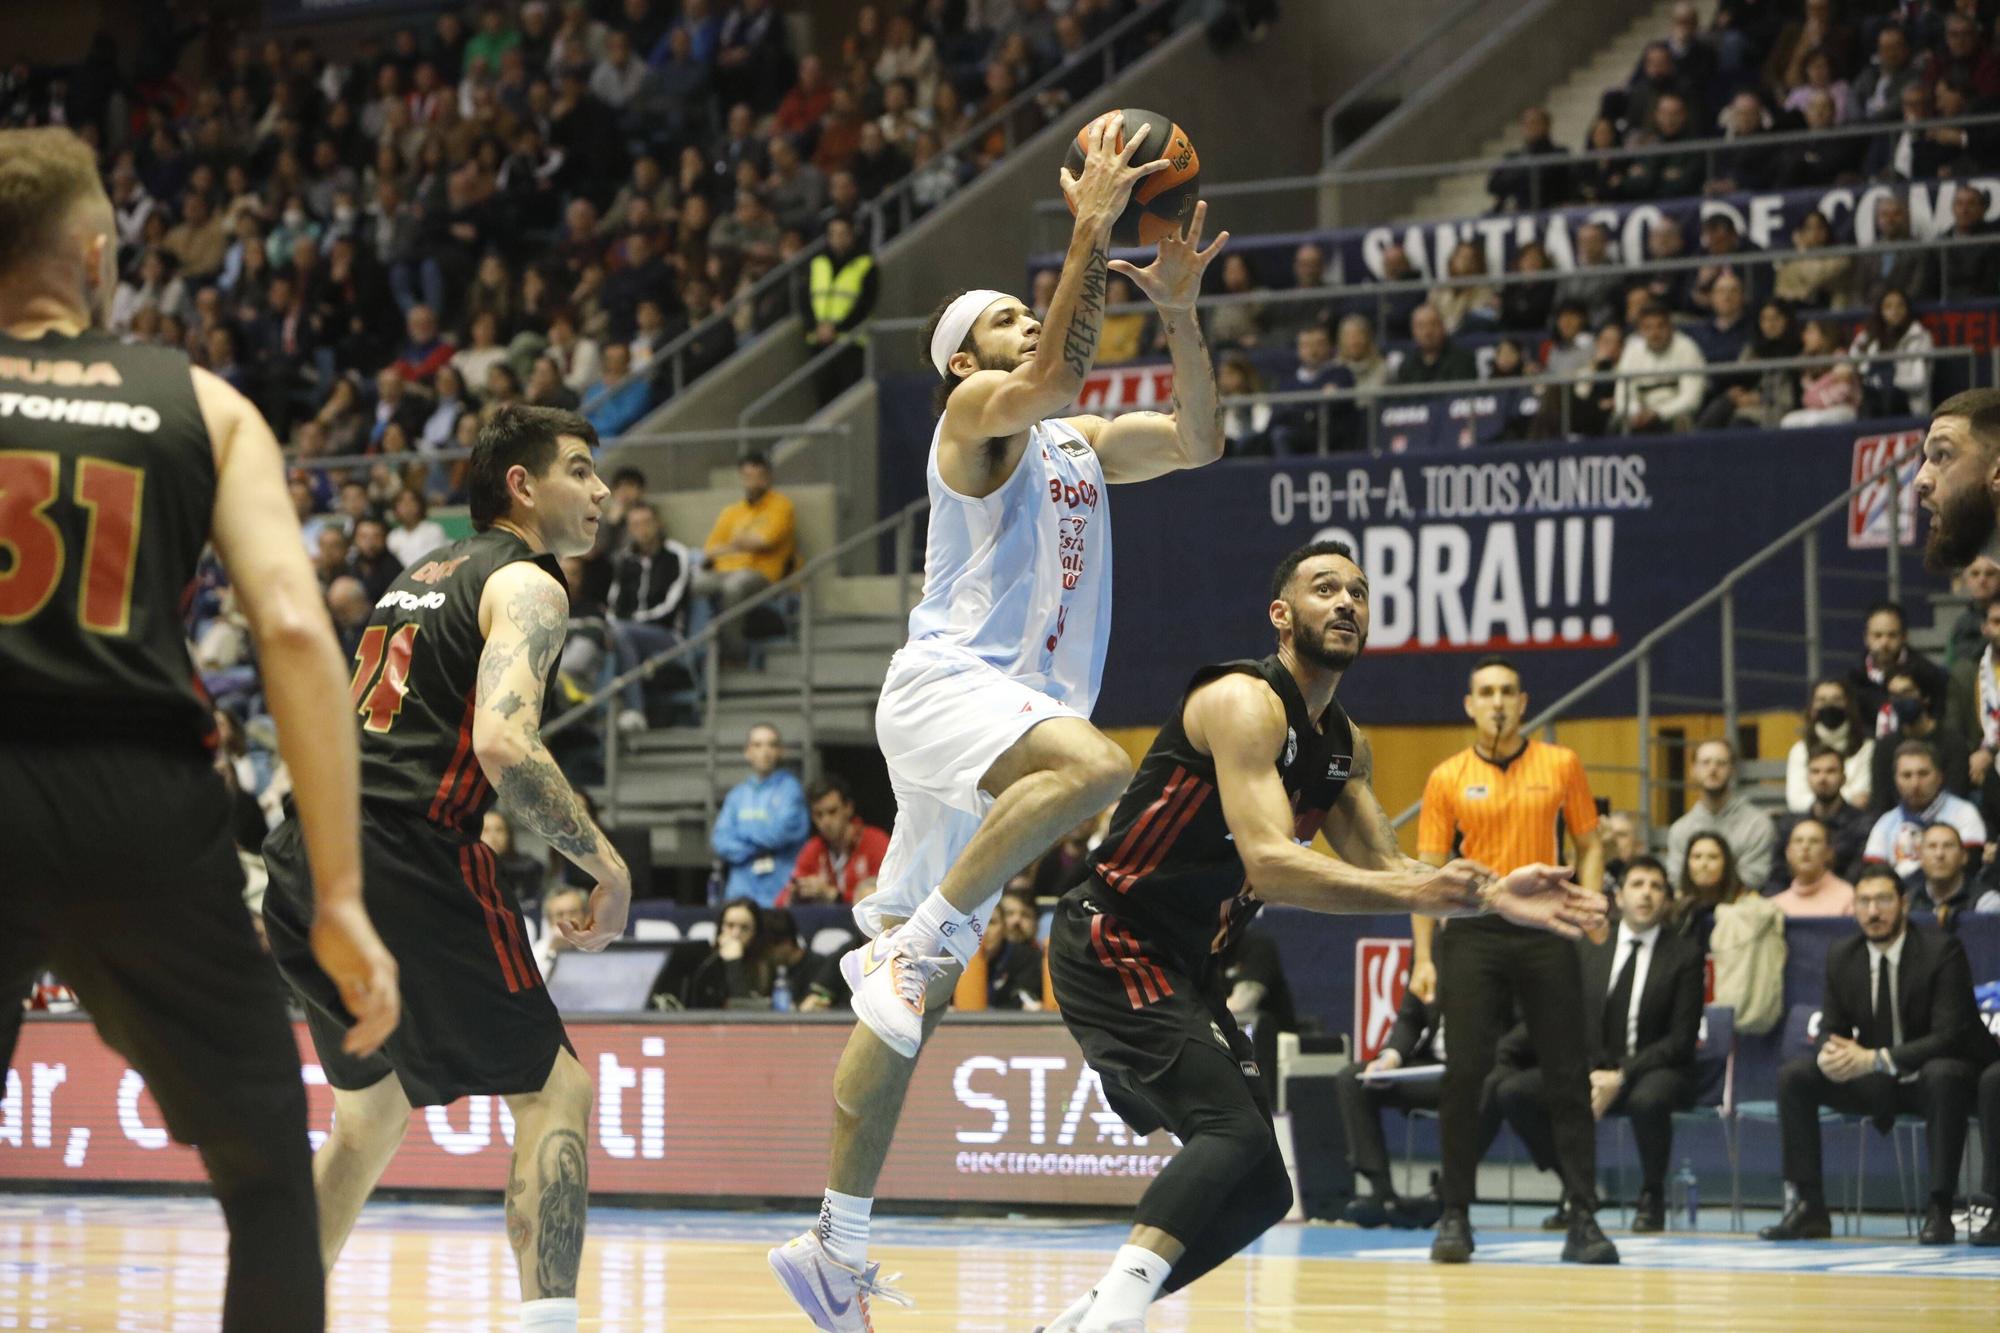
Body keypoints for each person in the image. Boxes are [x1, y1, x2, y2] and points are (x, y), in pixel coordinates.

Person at [768, 115, 1232, 1328]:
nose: (1024, 325)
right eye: (1002, 320)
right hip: (947, 693)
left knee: (895, 997)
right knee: (1094, 767)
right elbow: (1057, 375)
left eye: (1023, 316)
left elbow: (1197, 438)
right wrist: (1084, 230)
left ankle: (833, 1239)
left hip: (999, 725)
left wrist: (1177, 312)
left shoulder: (1073, 442)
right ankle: (929, 936)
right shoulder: (974, 418)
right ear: (960, 359)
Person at [0, 125, 399, 1333]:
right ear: (96, 251)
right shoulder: (204, 405)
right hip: (143, 799)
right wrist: (336, 894)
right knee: (271, 1172)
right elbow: (288, 624)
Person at [1038, 543, 1603, 1330]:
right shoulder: (1242, 701)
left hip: (1187, 964)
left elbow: (1394, 864)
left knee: (1265, 1183)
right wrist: (1423, 888)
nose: (1346, 601)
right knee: (1229, 1131)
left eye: (1359, 592)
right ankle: (1115, 1318)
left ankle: (1094, 1310)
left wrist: (1498, 897)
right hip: (1114, 938)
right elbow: (1272, 866)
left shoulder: (1344, 744)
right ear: (1281, 615)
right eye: (1325, 587)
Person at [262, 406, 631, 1333]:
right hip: (403, 853)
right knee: (557, 1090)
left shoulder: (416, 576)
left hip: (307, 854)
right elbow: (504, 744)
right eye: (581, 469)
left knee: (369, 1117)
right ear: (522, 484)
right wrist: (607, 867)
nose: (600, 490)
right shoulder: (529, 582)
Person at [1409, 657, 1615, 1267]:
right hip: (1473, 931)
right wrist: (1423, 955)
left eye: (1506, 692)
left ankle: (1583, 1215)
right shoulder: (1447, 776)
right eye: (1485, 693)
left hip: (1545, 928)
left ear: (1523, 703)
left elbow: (1589, 839)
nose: (1496, 702)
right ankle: (1455, 1214)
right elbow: (1425, 873)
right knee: (1463, 1075)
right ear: (1469, 705)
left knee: (1566, 1075)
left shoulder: (1562, 764)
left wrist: (1590, 901)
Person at [1759, 866, 1989, 1245]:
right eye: (1864, 902)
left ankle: (1940, 1208)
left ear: (1902, 904)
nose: (1873, 911)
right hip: (1877, 1079)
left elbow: (1951, 1036)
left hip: (1934, 1076)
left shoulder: (1940, 951)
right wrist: (1831, 1054)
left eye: (1883, 900)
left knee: (1943, 1073)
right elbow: (1832, 1028)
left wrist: (1876, 1058)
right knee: (1796, 1076)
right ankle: (1809, 1208)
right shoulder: (1842, 955)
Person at [1497, 856, 1701, 1233]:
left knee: (1649, 1100)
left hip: (1652, 1069)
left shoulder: (1684, 953)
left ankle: (1651, 1195)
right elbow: (1563, 1014)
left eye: (1657, 887)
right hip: (1588, 1067)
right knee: (1514, 1092)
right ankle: (1577, 1189)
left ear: (1667, 901)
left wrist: (1621, 1076)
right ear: (1618, 897)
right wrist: (1587, 1072)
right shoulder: (1590, 946)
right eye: (1638, 884)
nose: (1647, 894)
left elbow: (1681, 1040)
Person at [694, 453, 795, 661]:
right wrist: (742, 544)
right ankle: (698, 653)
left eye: (759, 475)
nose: (754, 481)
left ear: (768, 476)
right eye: (748, 476)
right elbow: (710, 550)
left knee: (733, 587)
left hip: (762, 576)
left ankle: (734, 654)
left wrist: (731, 546)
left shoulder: (781, 506)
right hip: (723, 572)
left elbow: (764, 541)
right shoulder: (732, 512)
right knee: (691, 583)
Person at [606, 499, 694, 734]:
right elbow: (614, 603)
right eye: (635, 524)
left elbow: (671, 605)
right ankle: (601, 717)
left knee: (619, 632)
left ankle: (635, 710)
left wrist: (632, 622)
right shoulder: (624, 560)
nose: (642, 529)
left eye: (647, 522)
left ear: (658, 524)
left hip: (667, 636)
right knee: (611, 633)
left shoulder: (677, 554)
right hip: (627, 633)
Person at [710, 724, 810, 907]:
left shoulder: (791, 790)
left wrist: (742, 832)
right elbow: (721, 841)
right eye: (757, 745)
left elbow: (779, 834)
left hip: (779, 895)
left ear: (780, 751)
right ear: (747, 751)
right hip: (739, 895)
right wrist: (763, 842)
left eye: (771, 745)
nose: (765, 751)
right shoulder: (736, 795)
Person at [1863, 739, 1986, 876]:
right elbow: (1874, 876)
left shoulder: (1964, 813)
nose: (1915, 783)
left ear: (1940, 776)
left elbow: (1971, 868)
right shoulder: (1885, 823)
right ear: (1896, 781)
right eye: (1906, 775)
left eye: (1923, 774)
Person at [1665, 739, 1776, 889]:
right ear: (1693, 770)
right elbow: (1677, 879)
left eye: (1721, 763)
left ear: (1733, 770)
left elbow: (1754, 877)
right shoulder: (1679, 830)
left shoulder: (1758, 825)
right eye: (1705, 762)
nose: (1712, 769)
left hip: (1741, 908)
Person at [781, 774, 891, 907]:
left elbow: (886, 896)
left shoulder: (876, 842)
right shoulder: (812, 848)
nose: (825, 821)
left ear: (848, 808)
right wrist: (794, 895)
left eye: (832, 812)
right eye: (818, 815)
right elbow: (782, 901)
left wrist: (834, 895)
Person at [1868, 667, 1969, 807]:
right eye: (1894, 695)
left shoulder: (1953, 743)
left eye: (1907, 693)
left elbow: (1955, 796)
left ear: (1925, 697)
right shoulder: (1885, 746)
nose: (1899, 700)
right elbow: (1879, 803)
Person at [1848, 599, 1950, 730]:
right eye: (1877, 635)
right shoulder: (1854, 678)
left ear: (1904, 637)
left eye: (1892, 635)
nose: (1884, 643)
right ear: (1866, 638)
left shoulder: (1927, 674)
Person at [1612, 303, 1706, 434]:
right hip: (1640, 414)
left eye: (1660, 326)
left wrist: (1658, 413)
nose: (1654, 333)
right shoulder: (1632, 350)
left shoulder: (1687, 348)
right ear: (1640, 331)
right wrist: (1636, 412)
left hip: (1673, 413)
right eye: (1648, 328)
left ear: (1671, 327)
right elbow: (1622, 396)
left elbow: (1691, 399)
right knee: (1616, 421)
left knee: (1682, 419)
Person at [1785, 678, 1874, 812]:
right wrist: (1846, 797)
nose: (1829, 705)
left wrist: (1819, 798)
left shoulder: (1867, 748)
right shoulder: (1799, 750)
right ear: (1812, 707)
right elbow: (1796, 802)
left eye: (1836, 699)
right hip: (1810, 822)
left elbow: (1862, 797)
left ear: (1848, 704)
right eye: (1822, 700)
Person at [1903, 822, 1982, 932]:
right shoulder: (1907, 902)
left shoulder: (1985, 903)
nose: (1939, 854)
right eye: (1932, 846)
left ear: (1964, 856)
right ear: (1920, 857)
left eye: (1948, 846)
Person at [1771, 818, 1857, 917]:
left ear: (1829, 852)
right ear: (1788, 852)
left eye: (1814, 841)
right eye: (1798, 841)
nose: (1805, 847)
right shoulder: (1775, 906)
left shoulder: (1848, 898)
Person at [983, 886, 1044, 1010]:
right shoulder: (952, 959)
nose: (983, 932)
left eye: (991, 922)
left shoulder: (1028, 958)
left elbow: (1026, 1000)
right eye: (1009, 914)